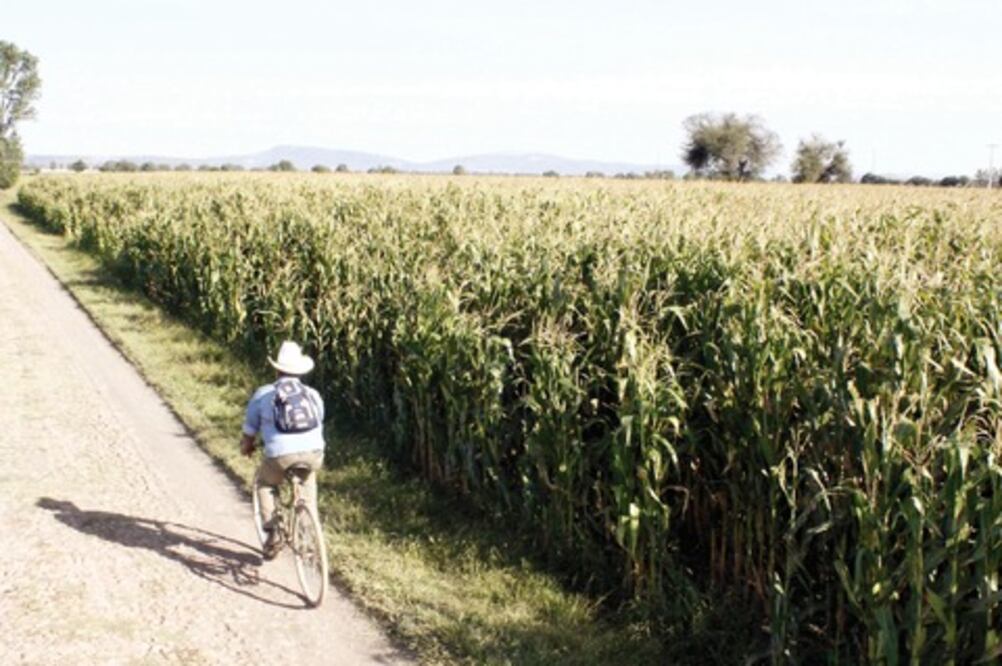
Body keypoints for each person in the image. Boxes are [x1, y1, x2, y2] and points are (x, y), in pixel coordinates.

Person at [240, 340, 325, 559]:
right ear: (300, 372)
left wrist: (247, 447)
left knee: (265, 483)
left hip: (280, 455)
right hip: (314, 453)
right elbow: (319, 421)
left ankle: (273, 530)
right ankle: (308, 537)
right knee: (308, 487)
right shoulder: (312, 394)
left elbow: (250, 430)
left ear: (277, 369)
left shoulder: (263, 394)